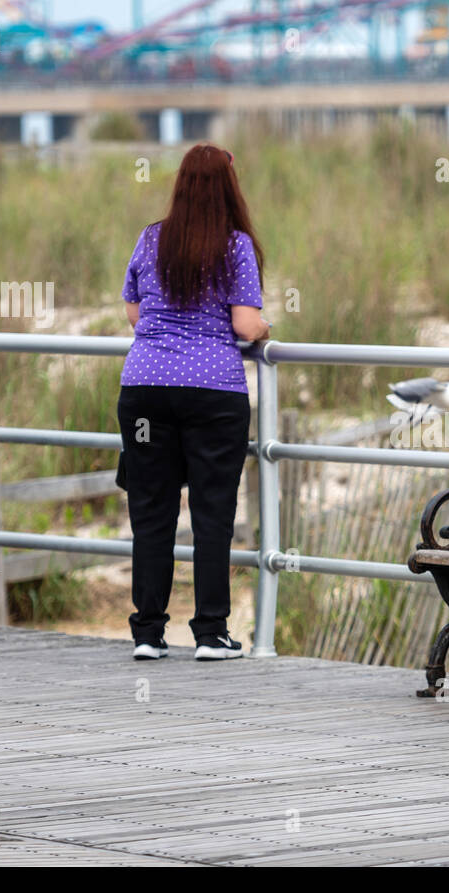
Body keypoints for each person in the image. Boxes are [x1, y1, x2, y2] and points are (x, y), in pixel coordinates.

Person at [116, 144, 271, 662]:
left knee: (151, 511)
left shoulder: (151, 237)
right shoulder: (236, 245)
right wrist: (267, 327)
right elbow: (246, 326)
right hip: (212, 393)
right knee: (211, 513)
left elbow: (136, 316)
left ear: (180, 184)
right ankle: (209, 633)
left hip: (144, 391)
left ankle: (146, 633)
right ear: (230, 187)